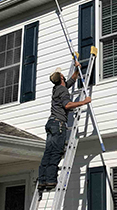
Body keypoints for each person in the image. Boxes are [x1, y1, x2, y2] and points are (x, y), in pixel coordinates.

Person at [38, 60, 91, 190]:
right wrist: (84, 102)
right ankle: (50, 180)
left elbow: (70, 81)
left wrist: (77, 70)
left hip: (51, 123)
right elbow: (67, 105)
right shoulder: (62, 90)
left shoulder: (57, 88)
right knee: (56, 152)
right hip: (58, 124)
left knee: (48, 153)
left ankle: (43, 180)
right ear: (61, 77)